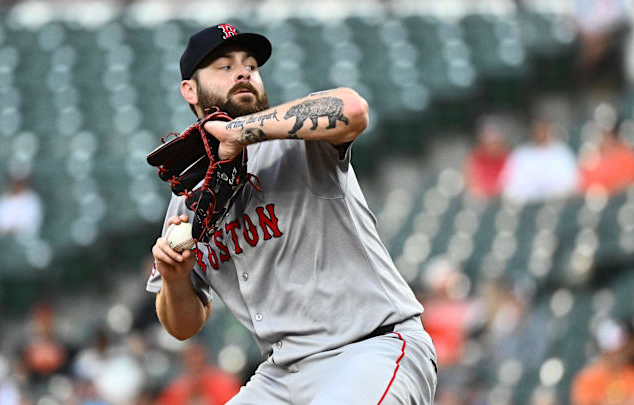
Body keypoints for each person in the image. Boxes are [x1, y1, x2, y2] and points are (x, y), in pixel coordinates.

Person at [146, 24, 438, 404]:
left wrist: (237, 131)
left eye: (250, 65)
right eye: (224, 66)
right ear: (189, 89)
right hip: (280, 375)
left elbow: (353, 109)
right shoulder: (188, 198)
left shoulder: (296, 141)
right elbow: (182, 327)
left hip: (368, 351)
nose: (243, 72)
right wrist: (174, 279)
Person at [571, 319, 634, 405]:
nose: (619, 355)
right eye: (614, 352)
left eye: (621, 350)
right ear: (604, 352)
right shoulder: (588, 377)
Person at [501, 119, 578, 203]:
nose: (541, 133)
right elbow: (509, 185)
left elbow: (571, 184)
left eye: (543, 129)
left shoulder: (562, 152)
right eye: (538, 129)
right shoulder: (521, 153)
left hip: (557, 203)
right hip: (526, 204)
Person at [157, 343, 241, 405]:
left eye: (198, 362)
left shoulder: (225, 384)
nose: (196, 367)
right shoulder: (175, 390)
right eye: (191, 363)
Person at [578, 124, 634, 195]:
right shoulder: (591, 162)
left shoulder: (629, 158)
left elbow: (632, 184)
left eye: (606, 136)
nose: (602, 140)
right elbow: (585, 188)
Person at [464, 119, 510, 199]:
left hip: (502, 197)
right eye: (489, 139)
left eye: (495, 140)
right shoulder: (475, 156)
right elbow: (469, 181)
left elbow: (511, 181)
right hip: (480, 197)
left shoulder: (508, 156)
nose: (492, 143)